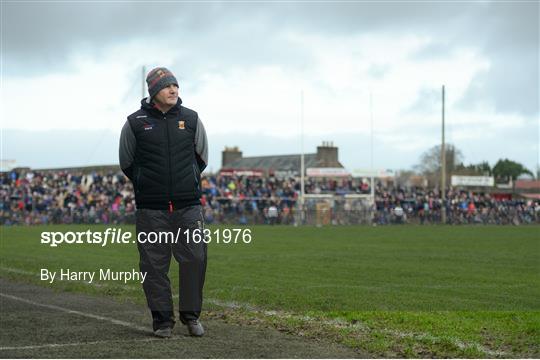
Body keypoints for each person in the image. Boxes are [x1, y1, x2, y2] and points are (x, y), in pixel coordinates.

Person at [119, 67, 208, 338]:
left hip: (188, 205)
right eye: (168, 86)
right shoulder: (135, 122)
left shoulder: (191, 119)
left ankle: (191, 317)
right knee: (153, 265)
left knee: (194, 258)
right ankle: (163, 322)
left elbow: (201, 157)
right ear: (154, 92)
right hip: (151, 208)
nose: (174, 90)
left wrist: (187, 181)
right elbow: (127, 162)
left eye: (176, 86)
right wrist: (148, 185)